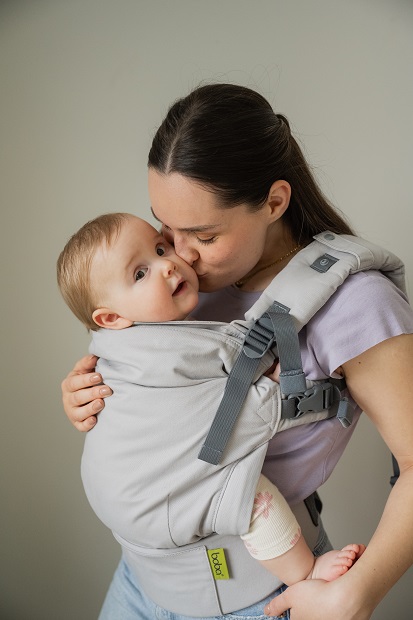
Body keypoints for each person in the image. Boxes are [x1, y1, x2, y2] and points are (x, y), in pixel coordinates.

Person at [60, 84, 413, 619]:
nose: (177, 256)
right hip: (139, 582)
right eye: (164, 227)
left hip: (260, 596)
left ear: (274, 202)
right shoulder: (177, 283)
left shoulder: (357, 304)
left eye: (201, 234)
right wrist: (88, 395)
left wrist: (357, 592)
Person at [57, 211, 364, 590]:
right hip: (152, 512)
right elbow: (244, 354)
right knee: (252, 501)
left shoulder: (120, 343)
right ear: (111, 318)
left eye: (159, 247)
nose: (169, 265)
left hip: (122, 508)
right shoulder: (180, 344)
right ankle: (304, 573)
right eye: (140, 273)